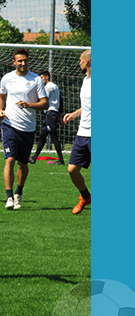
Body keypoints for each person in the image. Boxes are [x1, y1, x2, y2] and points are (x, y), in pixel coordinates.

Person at [0, 48, 48, 210]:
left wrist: (29, 105)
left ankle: (19, 193)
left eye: (25, 60)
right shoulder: (7, 78)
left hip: (28, 127)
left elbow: (44, 103)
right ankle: (9, 197)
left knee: (22, 164)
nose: (23, 63)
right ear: (14, 62)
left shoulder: (36, 80)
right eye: (20, 61)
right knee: (9, 160)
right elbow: (0, 96)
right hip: (10, 125)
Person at [63, 50, 91, 214]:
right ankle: (85, 197)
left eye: (80, 60)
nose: (79, 63)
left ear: (87, 62)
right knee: (72, 169)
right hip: (82, 133)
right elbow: (87, 106)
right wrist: (74, 114)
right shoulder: (85, 81)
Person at [29, 71, 64, 165]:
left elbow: (43, 100)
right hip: (50, 113)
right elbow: (60, 101)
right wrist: (60, 115)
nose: (40, 80)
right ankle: (34, 157)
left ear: (47, 77)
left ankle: (61, 160)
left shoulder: (49, 87)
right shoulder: (54, 86)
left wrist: (29, 104)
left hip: (51, 114)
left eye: (42, 77)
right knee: (42, 136)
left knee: (53, 136)